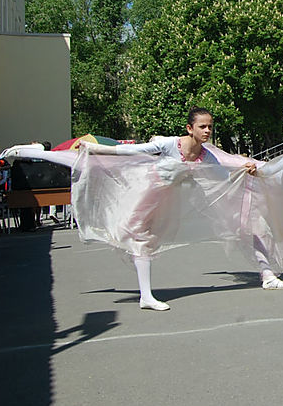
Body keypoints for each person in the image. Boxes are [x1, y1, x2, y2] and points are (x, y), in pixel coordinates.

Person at [80, 107, 262, 310]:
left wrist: (245, 172)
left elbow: (223, 179)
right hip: (144, 191)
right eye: (202, 126)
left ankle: (145, 296)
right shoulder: (171, 144)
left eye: (210, 126)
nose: (207, 131)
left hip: (167, 200)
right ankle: (146, 296)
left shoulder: (206, 156)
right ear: (189, 128)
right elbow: (133, 150)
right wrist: (94, 148)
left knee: (145, 242)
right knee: (139, 237)